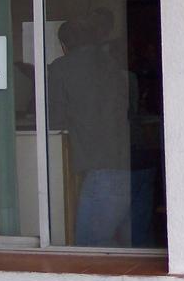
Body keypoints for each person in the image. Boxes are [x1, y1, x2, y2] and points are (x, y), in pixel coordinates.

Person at [47, 18, 134, 246]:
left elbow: (54, 120)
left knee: (90, 251)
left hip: (99, 171)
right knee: (126, 252)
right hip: (130, 165)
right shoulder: (113, 64)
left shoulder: (61, 68)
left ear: (64, 45)